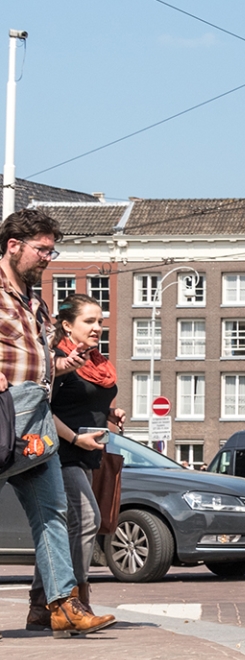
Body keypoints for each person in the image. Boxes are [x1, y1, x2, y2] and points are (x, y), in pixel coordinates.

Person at [0, 210, 115, 636]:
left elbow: (37, 361)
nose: (47, 258)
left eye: (52, 249)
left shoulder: (34, 300)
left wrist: (62, 364)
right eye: (41, 249)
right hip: (1, 417)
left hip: (34, 421)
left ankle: (63, 604)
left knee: (55, 513)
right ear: (14, 246)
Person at [32, 294, 124, 632]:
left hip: (87, 454)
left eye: (100, 322)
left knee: (58, 531)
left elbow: (85, 398)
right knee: (87, 520)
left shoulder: (94, 361)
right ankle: (75, 601)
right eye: (89, 321)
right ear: (67, 325)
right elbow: (44, 408)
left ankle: (41, 608)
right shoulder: (58, 360)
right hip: (62, 452)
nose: (98, 328)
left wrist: (110, 413)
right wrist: (74, 438)